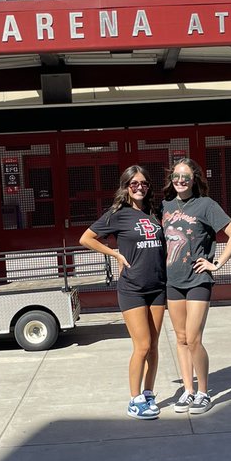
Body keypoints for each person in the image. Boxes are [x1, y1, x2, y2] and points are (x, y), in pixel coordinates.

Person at [80, 165, 166, 419]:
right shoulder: (118, 214)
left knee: (154, 346)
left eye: (144, 184)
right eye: (134, 184)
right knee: (142, 346)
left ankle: (148, 393)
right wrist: (114, 253)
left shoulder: (155, 211)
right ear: (126, 186)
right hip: (132, 289)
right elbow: (86, 238)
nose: (140, 188)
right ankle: (134, 399)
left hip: (157, 287)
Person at [161, 158, 231, 414]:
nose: (180, 181)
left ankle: (204, 392)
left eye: (185, 176)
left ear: (194, 179)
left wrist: (215, 264)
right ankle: (188, 390)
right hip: (173, 281)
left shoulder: (206, 205)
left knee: (194, 338)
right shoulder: (164, 206)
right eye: (176, 176)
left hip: (198, 280)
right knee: (181, 338)